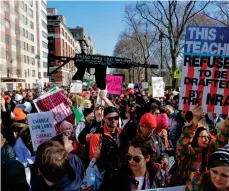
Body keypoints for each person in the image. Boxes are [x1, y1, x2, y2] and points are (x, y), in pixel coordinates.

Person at [176, 105, 229, 186]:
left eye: (208, 137)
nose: (207, 139)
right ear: (195, 138)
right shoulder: (188, 154)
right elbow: (183, 144)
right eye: (203, 137)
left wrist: (228, 119)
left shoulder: (210, 151)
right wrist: (195, 120)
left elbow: (221, 139)